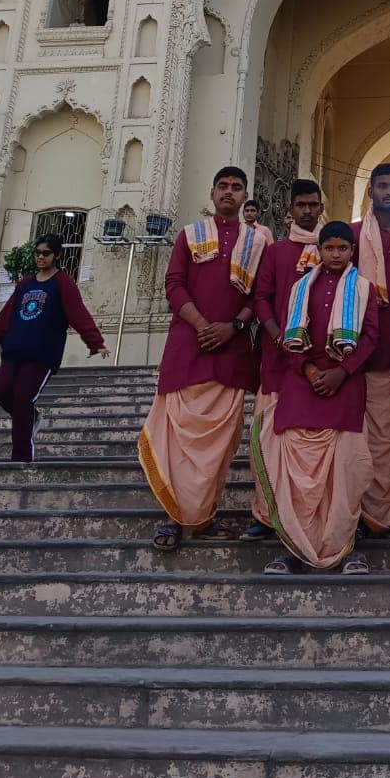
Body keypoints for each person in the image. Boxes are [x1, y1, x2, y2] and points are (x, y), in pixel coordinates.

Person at [138, 166, 264, 549]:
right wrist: (201, 324)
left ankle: (203, 514)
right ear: (212, 194)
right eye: (222, 186)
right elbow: (174, 284)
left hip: (232, 352)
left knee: (218, 445)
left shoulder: (258, 242)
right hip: (188, 347)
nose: (229, 192)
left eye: (236, 188)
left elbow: (261, 295)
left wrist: (233, 327)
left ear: (245, 197)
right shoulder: (188, 236)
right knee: (178, 439)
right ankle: (173, 518)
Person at [254, 221, 378, 574]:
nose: (336, 255)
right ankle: (293, 548)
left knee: (344, 473)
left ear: (352, 251)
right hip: (301, 384)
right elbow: (288, 339)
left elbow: (370, 338)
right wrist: (309, 371)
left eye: (343, 248)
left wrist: (342, 372)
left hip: (346, 385)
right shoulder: (298, 289)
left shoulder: (365, 289)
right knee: (297, 474)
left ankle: (343, 548)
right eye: (330, 248)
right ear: (318, 251)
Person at [0, 234, 108, 462]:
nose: (40, 257)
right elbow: (6, 317)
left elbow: (78, 314)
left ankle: (22, 458)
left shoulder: (63, 283)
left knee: (22, 400)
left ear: (56, 255)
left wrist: (95, 342)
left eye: (46, 253)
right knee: (0, 390)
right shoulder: (26, 283)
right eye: (37, 253)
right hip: (14, 351)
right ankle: (33, 418)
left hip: (41, 356)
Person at [246, 178, 324, 538]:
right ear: (290, 209)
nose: (307, 211)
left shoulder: (334, 249)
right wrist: (278, 335)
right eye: (301, 205)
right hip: (278, 362)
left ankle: (309, 516)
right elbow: (261, 297)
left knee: (309, 446)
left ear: (321, 208)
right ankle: (265, 514)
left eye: (313, 205)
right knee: (269, 440)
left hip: (318, 365)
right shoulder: (276, 252)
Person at [352, 163, 390, 537]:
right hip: (354, 355)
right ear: (371, 191)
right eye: (383, 186)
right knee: (356, 439)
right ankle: (353, 512)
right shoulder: (354, 237)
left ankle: (385, 510)